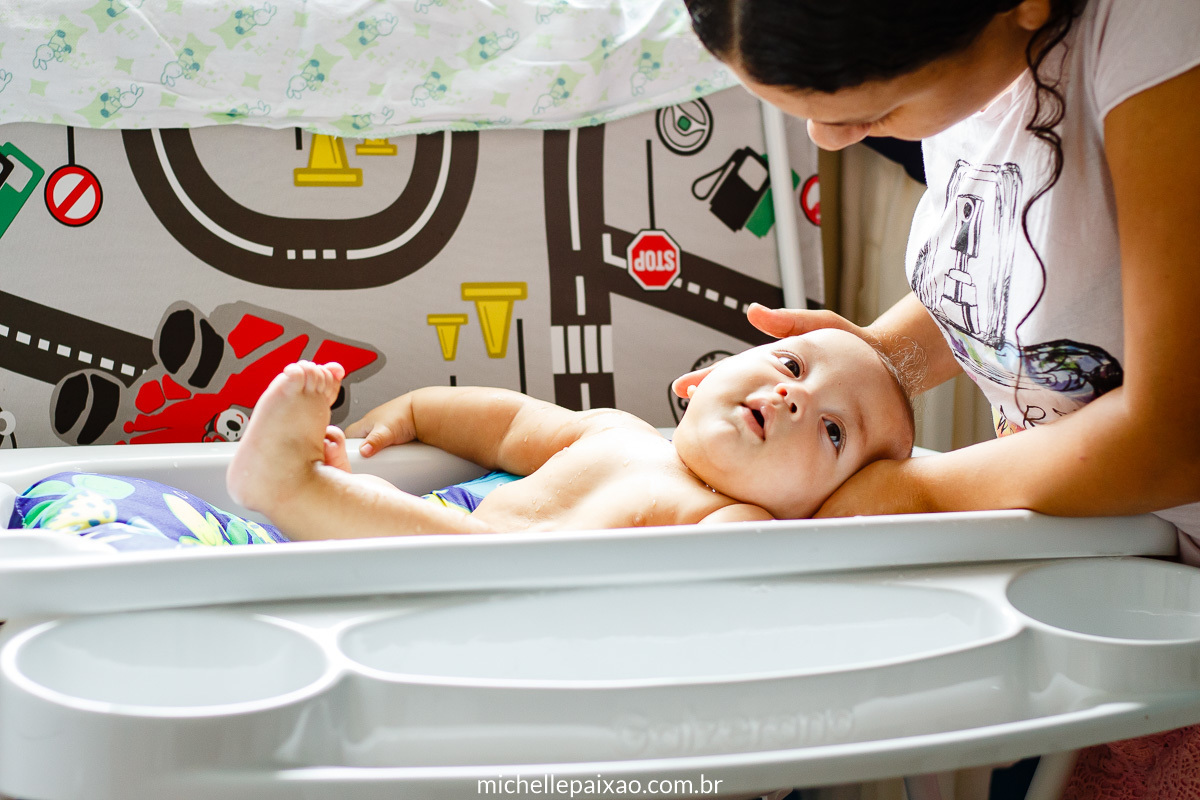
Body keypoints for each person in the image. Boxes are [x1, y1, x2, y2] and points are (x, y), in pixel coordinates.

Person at [680, 0, 1200, 795]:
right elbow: (1038, 260)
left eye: (874, 112)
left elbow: (1178, 435)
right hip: (1105, 568)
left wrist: (917, 492)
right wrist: (880, 361)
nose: (828, 140)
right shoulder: (977, 48)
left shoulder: (1159, 37)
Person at [224, 328, 914, 541]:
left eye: (832, 431)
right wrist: (417, 412)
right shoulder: (619, 431)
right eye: (791, 366)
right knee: (426, 530)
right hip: (455, 549)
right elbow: (507, 424)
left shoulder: (730, 521)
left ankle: (289, 487)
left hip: (508, 598)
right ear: (695, 383)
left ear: (820, 503)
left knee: (471, 554)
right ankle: (329, 495)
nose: (795, 397)